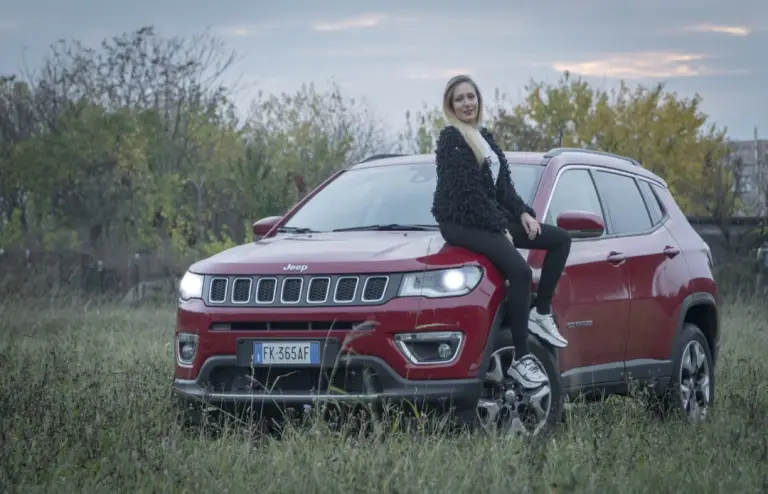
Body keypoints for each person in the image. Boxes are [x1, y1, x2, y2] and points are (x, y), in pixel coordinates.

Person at [431, 74, 572, 389]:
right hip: (460, 222)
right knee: (520, 272)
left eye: (471, 97)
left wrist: (523, 213)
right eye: (460, 99)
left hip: (485, 217)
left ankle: (542, 311)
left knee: (559, 239)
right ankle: (521, 359)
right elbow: (468, 193)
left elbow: (502, 186)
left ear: (478, 100)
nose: (467, 103)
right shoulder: (452, 139)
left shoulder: (483, 137)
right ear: (450, 106)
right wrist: (498, 228)